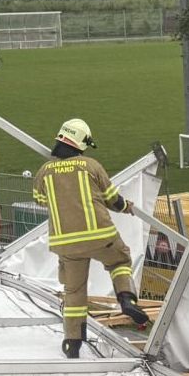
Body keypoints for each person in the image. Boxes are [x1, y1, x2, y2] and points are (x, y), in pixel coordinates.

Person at [32, 117, 150, 358]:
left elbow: (40, 201)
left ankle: (72, 343)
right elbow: (112, 200)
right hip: (100, 236)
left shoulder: (44, 172)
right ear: (82, 143)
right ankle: (127, 300)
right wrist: (127, 206)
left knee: (74, 290)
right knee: (119, 262)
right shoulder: (91, 166)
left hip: (65, 243)